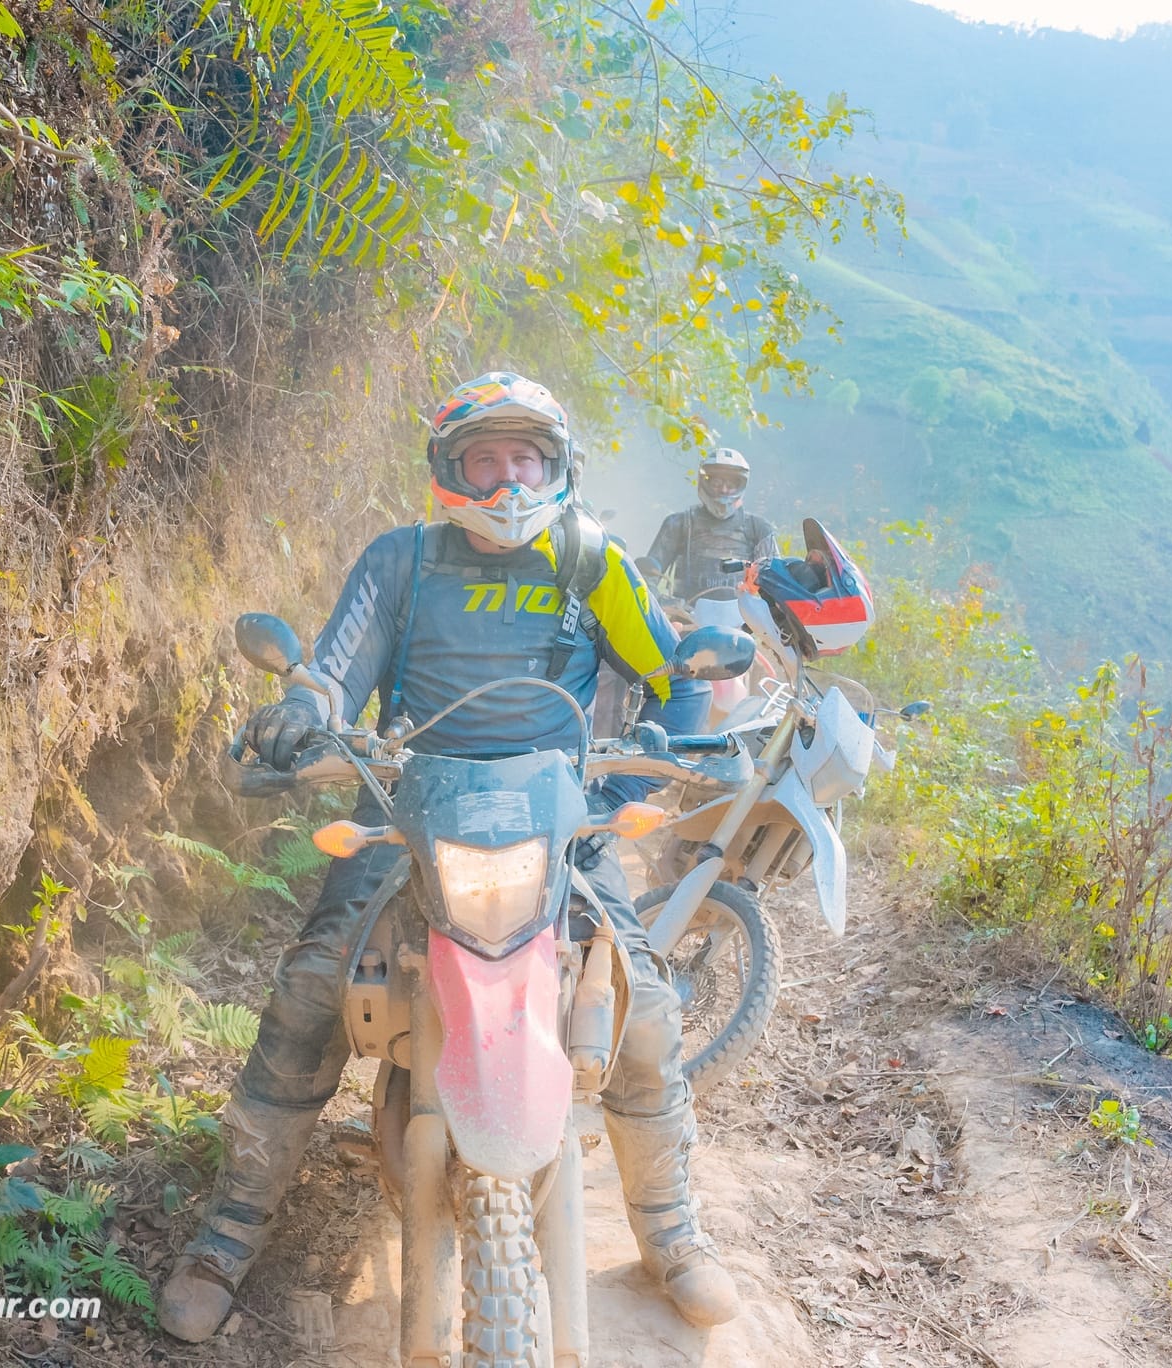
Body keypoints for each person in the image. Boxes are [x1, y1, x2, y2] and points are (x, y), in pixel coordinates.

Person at [157, 372, 742, 1340]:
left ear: (555, 468)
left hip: (559, 821)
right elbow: (331, 673)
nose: (507, 479)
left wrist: (633, 784)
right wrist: (300, 718)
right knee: (311, 990)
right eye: (485, 458)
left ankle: (672, 1231)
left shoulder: (590, 562)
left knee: (642, 1001)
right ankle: (225, 1234)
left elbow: (671, 676)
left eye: (525, 458)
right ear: (448, 470)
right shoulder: (401, 563)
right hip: (407, 813)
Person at [638, 448, 778, 603]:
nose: (724, 490)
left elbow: (777, 581)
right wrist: (660, 599)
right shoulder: (679, 523)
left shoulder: (758, 528)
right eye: (717, 483)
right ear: (705, 482)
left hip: (743, 621)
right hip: (684, 619)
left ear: (741, 485)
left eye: (731, 484)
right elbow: (649, 574)